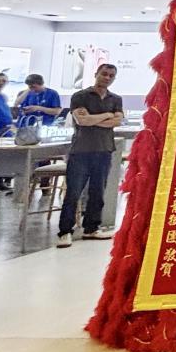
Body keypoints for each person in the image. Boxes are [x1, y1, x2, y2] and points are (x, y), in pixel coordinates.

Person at [56, 65, 122, 248]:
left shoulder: (115, 99)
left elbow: (117, 121)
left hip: (104, 150)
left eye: (111, 75)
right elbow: (82, 121)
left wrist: (95, 119)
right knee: (73, 192)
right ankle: (65, 231)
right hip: (81, 151)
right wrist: (107, 115)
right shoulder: (80, 96)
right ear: (96, 74)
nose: (107, 78)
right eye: (104, 74)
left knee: (98, 192)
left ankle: (91, 228)